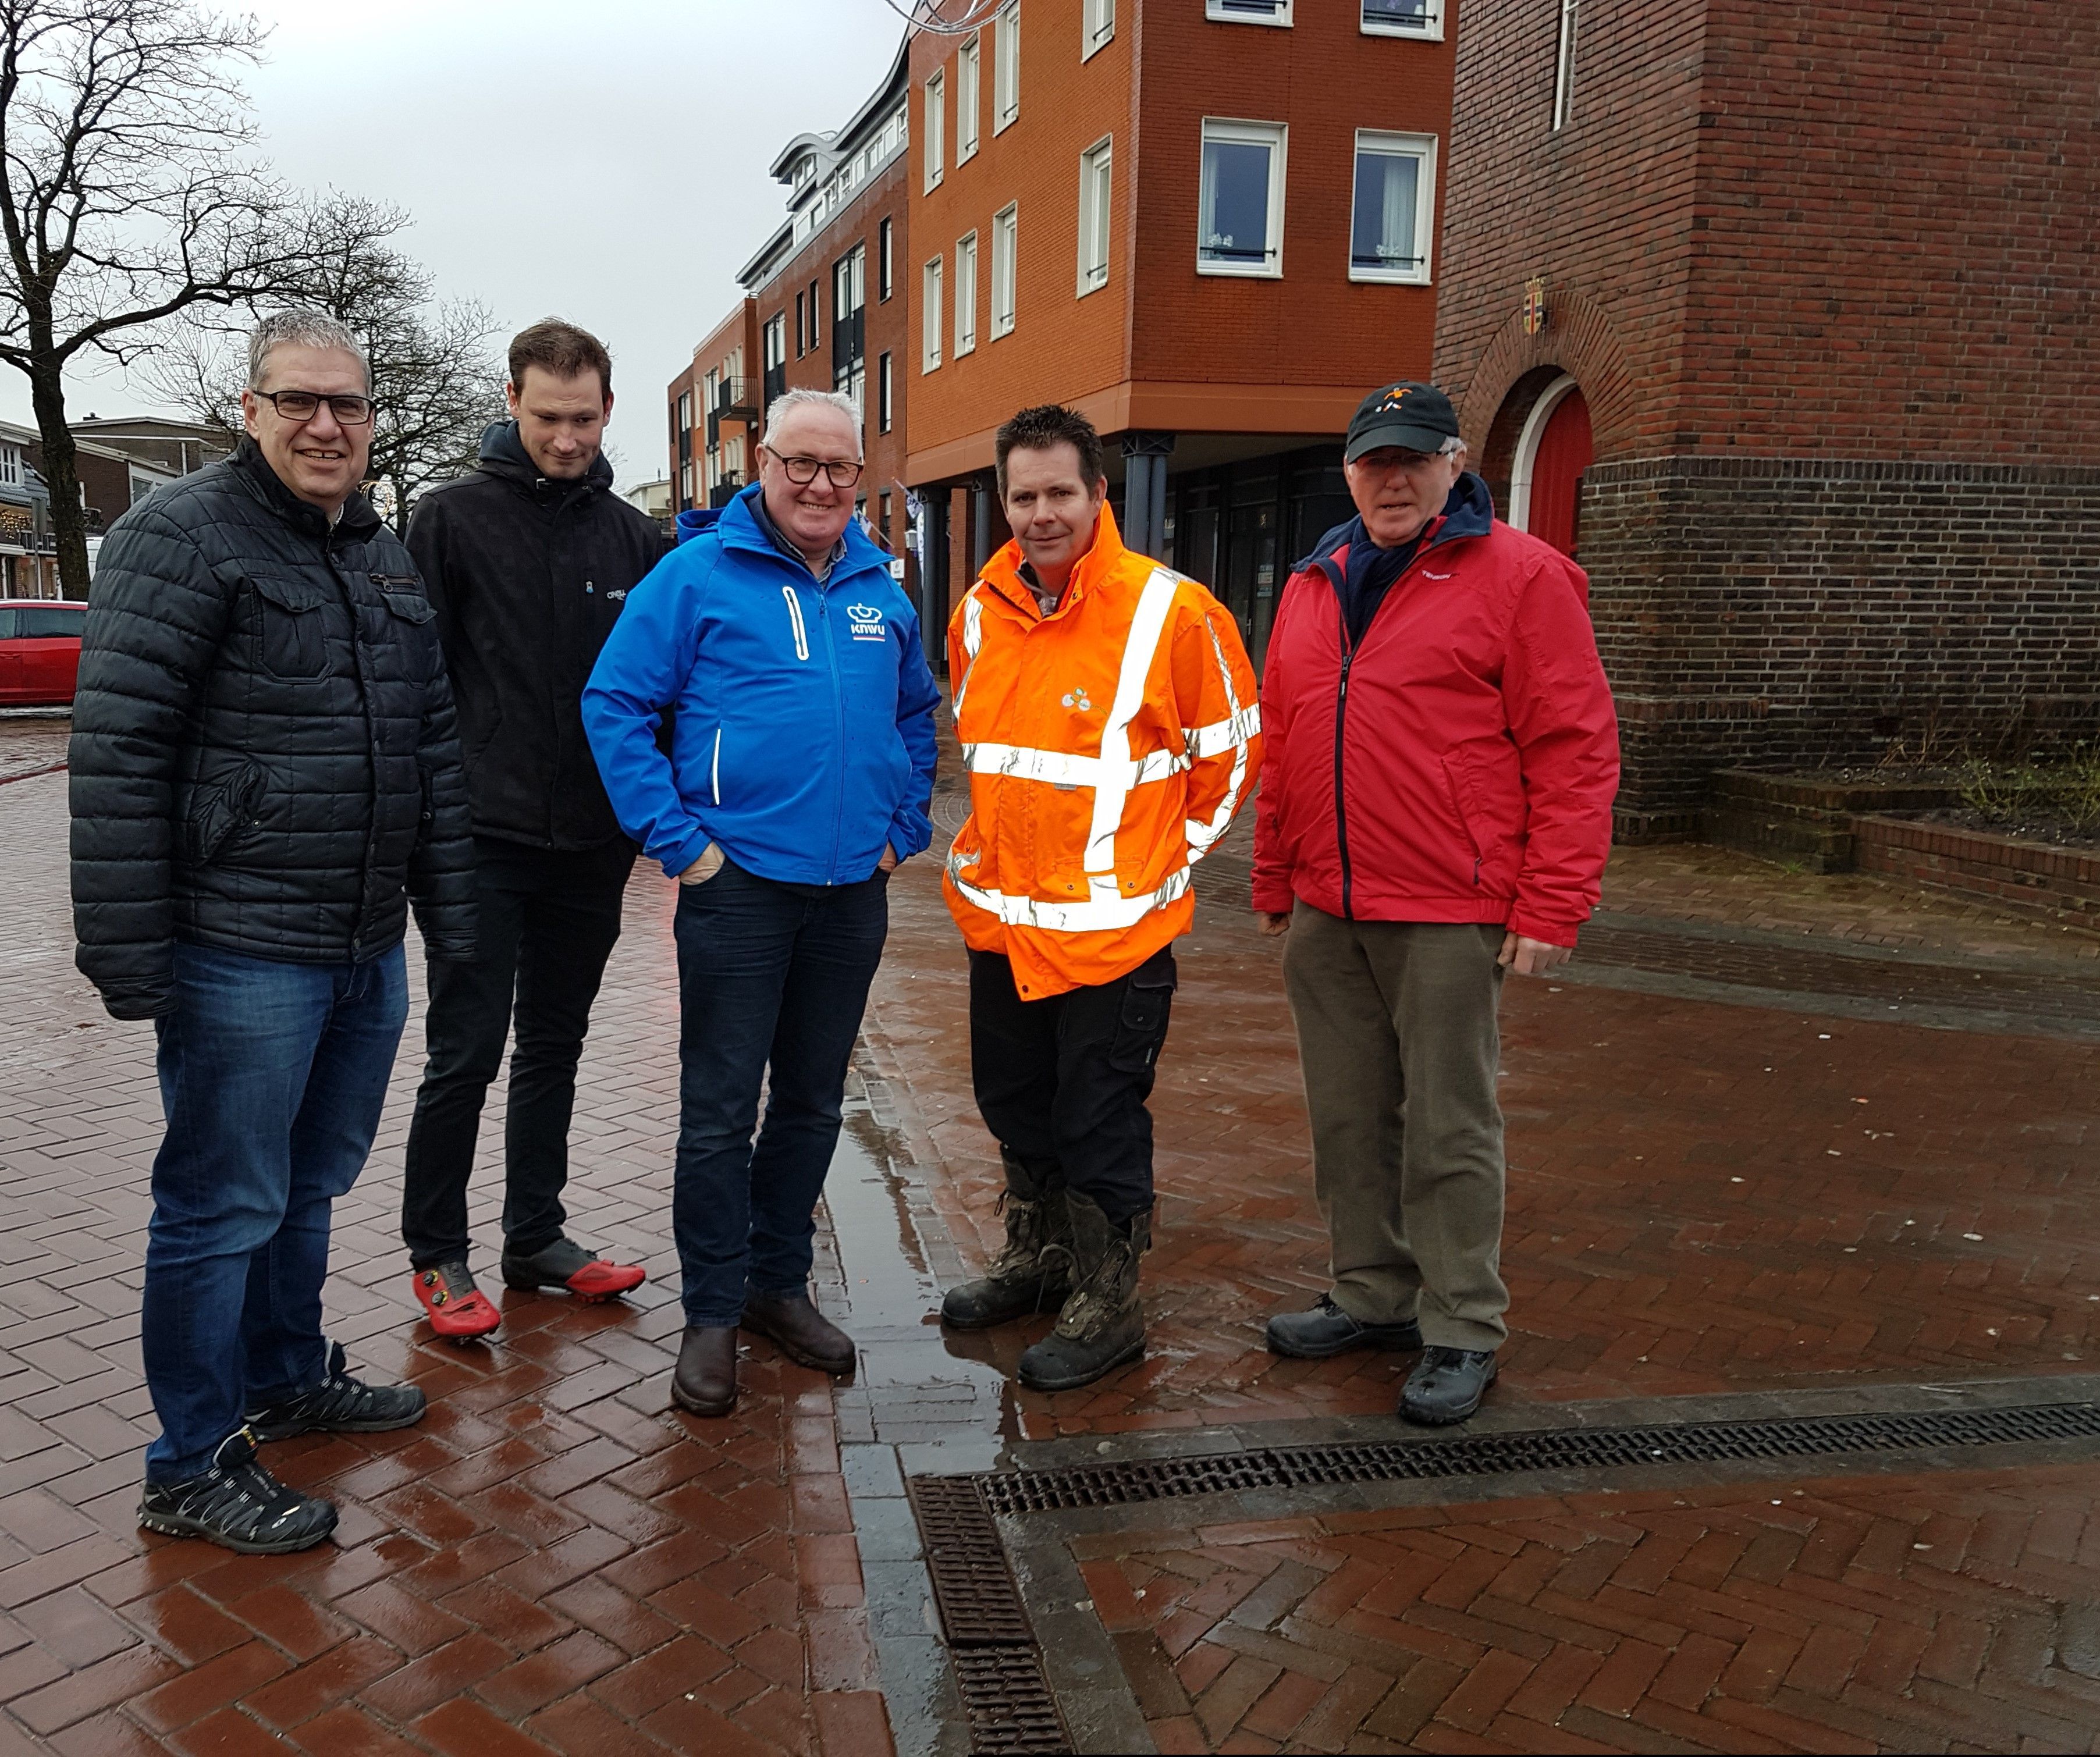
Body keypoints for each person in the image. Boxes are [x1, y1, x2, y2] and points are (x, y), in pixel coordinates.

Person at [69, 311, 475, 1551]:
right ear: (248, 411)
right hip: (237, 945)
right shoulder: (178, 539)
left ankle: (285, 1374)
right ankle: (189, 1461)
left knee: (310, 1185)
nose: (326, 425)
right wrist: (129, 952)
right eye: (297, 402)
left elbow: (432, 747)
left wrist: (451, 918)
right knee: (218, 1204)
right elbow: (119, 753)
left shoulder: (383, 554)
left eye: (346, 405)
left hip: (361, 945)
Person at [1253, 380, 1618, 1426]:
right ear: (1349, 473)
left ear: (1455, 465)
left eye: (1416, 458)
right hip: (1329, 907)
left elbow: (1575, 749)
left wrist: (1550, 905)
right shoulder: (1315, 582)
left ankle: (1462, 1323)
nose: (1394, 477)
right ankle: (1374, 1294)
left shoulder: (1523, 576)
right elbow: (1286, 742)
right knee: (1348, 1114)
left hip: (1449, 908)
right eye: (1375, 460)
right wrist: (1275, 876)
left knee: (1449, 1126)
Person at [582, 388, 939, 1418]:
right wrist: (679, 842)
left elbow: (917, 716)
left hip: (847, 896)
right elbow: (612, 704)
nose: (820, 485)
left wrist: (900, 828)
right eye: (801, 464)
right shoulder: (695, 576)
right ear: (763, 466)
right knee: (719, 1110)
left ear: (859, 483)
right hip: (736, 894)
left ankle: (779, 1286)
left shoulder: (883, 591)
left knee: (813, 1103)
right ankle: (711, 1309)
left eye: (840, 470)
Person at [936, 405, 1260, 1392]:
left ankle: (1109, 1302)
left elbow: (1232, 755)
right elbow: (984, 758)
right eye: (1024, 495)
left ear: (1097, 496)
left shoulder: (1174, 612)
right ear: (1004, 499)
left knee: (1099, 1120)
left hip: (1114, 942)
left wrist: (1162, 865)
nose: (1042, 514)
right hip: (1002, 927)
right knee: (1014, 1104)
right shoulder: (979, 612)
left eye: (1060, 493)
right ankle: (1038, 1258)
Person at [397, 319, 669, 1338]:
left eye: (585, 419)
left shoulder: (631, 540)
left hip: (592, 844)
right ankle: (436, 1253)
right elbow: (412, 678)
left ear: (608, 410)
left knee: (555, 1041)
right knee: (464, 1049)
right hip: (480, 839)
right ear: (511, 403)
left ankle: (534, 1235)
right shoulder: (451, 521)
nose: (567, 438)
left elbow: (661, 688)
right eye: (549, 418)